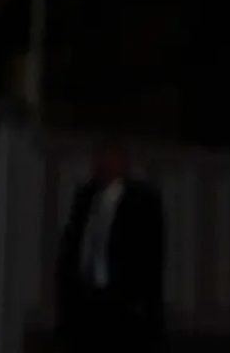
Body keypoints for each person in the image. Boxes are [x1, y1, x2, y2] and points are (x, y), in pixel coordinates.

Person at [55, 138, 165, 352]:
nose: (104, 166)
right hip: (86, 298)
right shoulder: (86, 197)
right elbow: (73, 245)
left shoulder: (142, 201)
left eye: (110, 160)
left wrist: (140, 302)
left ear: (123, 164)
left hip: (122, 302)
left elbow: (150, 255)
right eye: (101, 160)